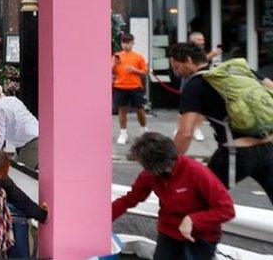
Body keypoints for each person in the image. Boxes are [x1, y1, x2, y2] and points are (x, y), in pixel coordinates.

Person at [170, 42, 273, 205]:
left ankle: (184, 229)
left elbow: (185, 133)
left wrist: (169, 163)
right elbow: (270, 87)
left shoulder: (195, 84)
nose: (177, 72)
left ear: (188, 60)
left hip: (237, 152)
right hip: (269, 147)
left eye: (177, 67)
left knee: (199, 199)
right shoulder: (235, 71)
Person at [113, 132, 234, 260]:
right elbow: (129, 199)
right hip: (169, 231)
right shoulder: (149, 175)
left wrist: (193, 219)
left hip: (201, 236)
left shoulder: (197, 173)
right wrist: (103, 220)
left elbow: (227, 210)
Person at [113, 33, 150, 145]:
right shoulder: (117, 56)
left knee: (139, 109)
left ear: (132, 43)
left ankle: (144, 130)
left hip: (135, 87)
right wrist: (114, 65)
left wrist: (134, 70)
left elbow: (145, 73)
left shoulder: (138, 57)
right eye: (123, 42)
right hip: (120, 87)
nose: (125, 45)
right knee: (122, 110)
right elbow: (111, 71)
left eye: (128, 43)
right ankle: (123, 133)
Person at [0, 83, 39, 170]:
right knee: (17, 172)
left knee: (24, 176)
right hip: (34, 138)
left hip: (29, 143)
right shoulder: (13, 100)